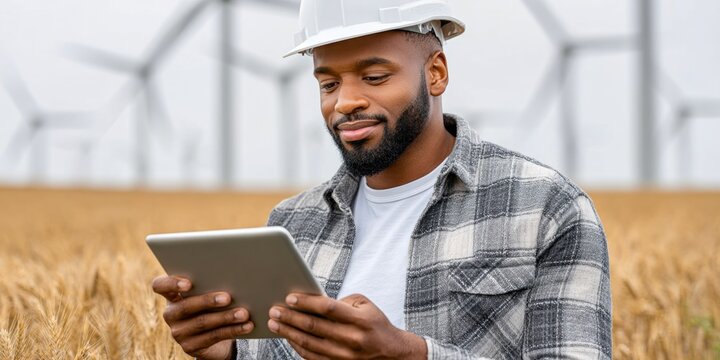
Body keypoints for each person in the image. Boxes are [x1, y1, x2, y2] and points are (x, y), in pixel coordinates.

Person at [152, 0, 612, 359]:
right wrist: (226, 352)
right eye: (328, 84)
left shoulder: (546, 208)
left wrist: (409, 355)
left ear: (435, 73)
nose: (345, 102)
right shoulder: (292, 223)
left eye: (373, 76)